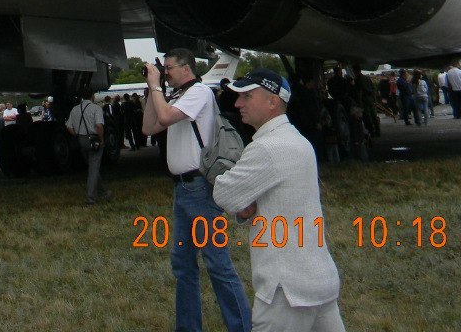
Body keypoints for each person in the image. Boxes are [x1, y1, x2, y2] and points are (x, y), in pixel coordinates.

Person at [213, 69, 345, 332]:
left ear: (272, 102)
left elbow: (223, 194)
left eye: (247, 96)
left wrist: (243, 204)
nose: (238, 104)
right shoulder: (299, 141)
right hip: (319, 277)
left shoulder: (266, 148)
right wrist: (247, 204)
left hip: (286, 290)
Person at [143, 51, 251, 332]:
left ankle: (242, 326)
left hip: (200, 188)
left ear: (187, 68)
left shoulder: (200, 92)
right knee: (183, 265)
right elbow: (148, 126)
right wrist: (151, 89)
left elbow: (165, 117)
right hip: (182, 189)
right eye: (162, 68)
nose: (165, 72)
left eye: (169, 68)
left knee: (217, 263)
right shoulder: (179, 96)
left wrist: (156, 86)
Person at [65, 90, 109, 204]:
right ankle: (90, 198)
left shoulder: (75, 109)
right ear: (92, 96)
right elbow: (99, 125)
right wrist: (101, 139)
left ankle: (102, 192)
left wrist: (77, 134)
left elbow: (69, 127)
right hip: (94, 139)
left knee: (92, 166)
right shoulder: (96, 108)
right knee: (94, 168)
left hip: (81, 139)